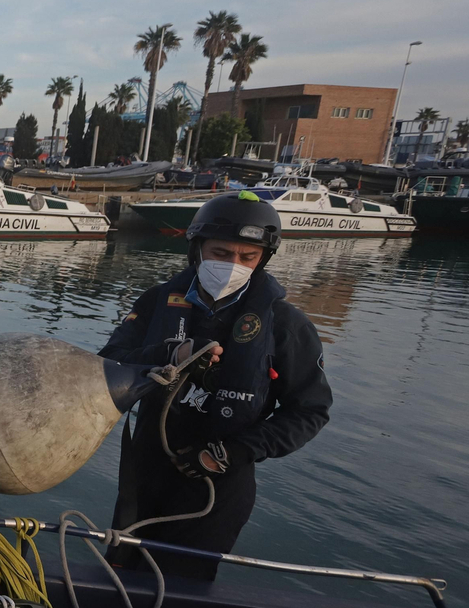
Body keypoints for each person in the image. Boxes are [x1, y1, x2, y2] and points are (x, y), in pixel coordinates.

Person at [99, 190, 331, 580]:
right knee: (118, 576)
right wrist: (170, 353)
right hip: (145, 474)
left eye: (247, 257)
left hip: (214, 486)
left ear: (263, 259)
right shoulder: (158, 300)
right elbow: (108, 364)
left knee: (178, 587)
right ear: (197, 249)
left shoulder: (286, 324)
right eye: (222, 254)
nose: (233, 265)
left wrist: (233, 452)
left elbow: (309, 410)